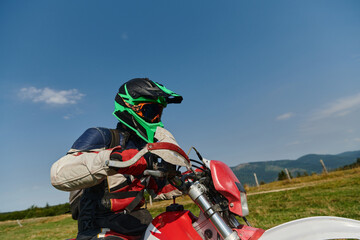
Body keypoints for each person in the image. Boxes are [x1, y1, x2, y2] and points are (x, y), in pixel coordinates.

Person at [51, 78, 183, 240]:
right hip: (100, 229)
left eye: (159, 113)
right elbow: (59, 174)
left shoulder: (147, 149)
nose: (156, 119)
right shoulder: (103, 137)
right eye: (150, 111)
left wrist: (194, 178)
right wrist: (114, 160)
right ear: (128, 107)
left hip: (137, 225)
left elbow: (165, 188)